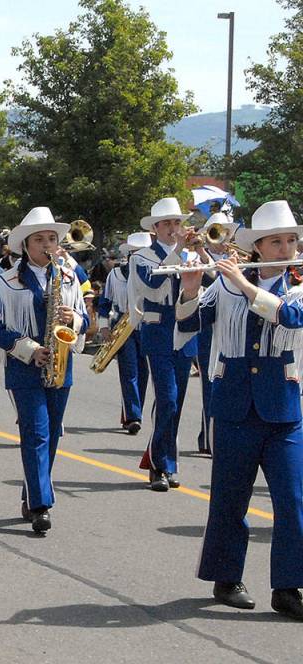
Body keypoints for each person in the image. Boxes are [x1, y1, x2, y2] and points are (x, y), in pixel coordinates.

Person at [176, 200, 303, 620]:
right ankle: (225, 577)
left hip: (283, 408)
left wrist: (245, 285)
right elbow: (190, 324)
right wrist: (192, 287)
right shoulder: (225, 283)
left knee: (293, 500)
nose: (287, 246)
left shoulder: (298, 284)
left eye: (291, 240)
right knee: (230, 499)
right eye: (277, 241)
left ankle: (288, 587)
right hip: (233, 402)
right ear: (259, 247)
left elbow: (289, 316)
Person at [0, 207, 89, 534]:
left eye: (52, 238)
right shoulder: (8, 280)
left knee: (52, 433)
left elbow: (85, 320)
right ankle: (41, 505)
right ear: (26, 245)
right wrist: (30, 350)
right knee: (36, 433)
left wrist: (74, 319)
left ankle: (31, 493)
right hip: (24, 367)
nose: (47, 244)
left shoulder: (69, 276)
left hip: (61, 362)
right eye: (39, 239)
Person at [130, 197, 207, 491]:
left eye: (177, 223)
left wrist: (200, 249)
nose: (174, 228)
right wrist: (178, 250)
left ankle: (166, 461)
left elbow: (212, 278)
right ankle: (159, 465)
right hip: (158, 330)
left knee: (178, 402)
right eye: (167, 224)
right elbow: (152, 284)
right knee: (168, 399)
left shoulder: (188, 255)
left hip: (185, 329)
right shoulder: (142, 257)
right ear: (155, 228)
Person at [193, 212, 239, 455]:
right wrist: (202, 253)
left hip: (232, 328)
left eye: (226, 233)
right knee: (209, 383)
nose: (223, 238)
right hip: (209, 327)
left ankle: (209, 435)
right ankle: (210, 438)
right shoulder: (197, 256)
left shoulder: (240, 256)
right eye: (217, 232)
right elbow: (215, 281)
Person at [96, 232, 152, 434]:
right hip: (124, 324)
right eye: (135, 253)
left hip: (147, 325)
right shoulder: (116, 274)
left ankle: (131, 413)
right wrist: (103, 325)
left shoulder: (154, 272)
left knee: (143, 373)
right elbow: (105, 302)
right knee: (129, 371)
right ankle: (133, 416)